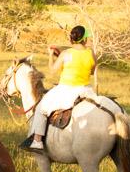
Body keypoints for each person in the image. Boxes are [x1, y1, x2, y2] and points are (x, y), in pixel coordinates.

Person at [21, 25, 97, 154]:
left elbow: (52, 70)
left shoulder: (66, 54)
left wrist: (51, 55)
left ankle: (37, 141)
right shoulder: (91, 53)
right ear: (85, 39)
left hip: (67, 89)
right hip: (85, 90)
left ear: (72, 39)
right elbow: (91, 71)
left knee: (41, 108)